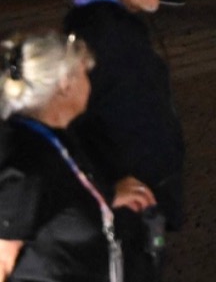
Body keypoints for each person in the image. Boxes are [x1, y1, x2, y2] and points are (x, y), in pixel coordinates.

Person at [64, 0, 183, 270]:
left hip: (135, 214)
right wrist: (103, 190)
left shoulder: (113, 24)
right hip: (117, 226)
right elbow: (59, 124)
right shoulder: (102, 35)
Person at [1, 31, 156, 282]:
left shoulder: (57, 138)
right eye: (85, 74)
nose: (90, 84)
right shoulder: (27, 165)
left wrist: (106, 197)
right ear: (65, 84)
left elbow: (61, 198)